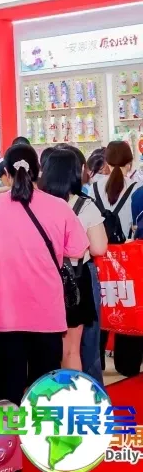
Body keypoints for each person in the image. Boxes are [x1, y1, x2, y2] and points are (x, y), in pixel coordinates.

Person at [0, 144, 89, 406]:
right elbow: (78, 249)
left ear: (6, 174)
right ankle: (41, 431)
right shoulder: (59, 206)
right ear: (38, 171)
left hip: (6, 310)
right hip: (47, 310)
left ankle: (7, 431)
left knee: (9, 382)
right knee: (45, 385)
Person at [39, 148, 108, 375]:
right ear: (76, 172)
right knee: (71, 351)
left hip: (38, 278)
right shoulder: (84, 205)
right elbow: (99, 247)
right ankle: (71, 394)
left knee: (42, 350)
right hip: (74, 282)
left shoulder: (33, 203)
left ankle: (44, 393)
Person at [93, 141, 142, 377]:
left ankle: (96, 361)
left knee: (101, 306)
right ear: (129, 163)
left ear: (106, 162)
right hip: (128, 260)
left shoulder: (93, 188)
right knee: (127, 306)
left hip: (99, 256)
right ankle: (127, 363)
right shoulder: (138, 188)